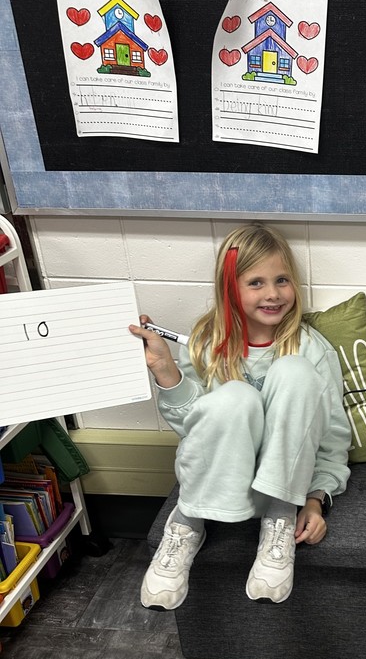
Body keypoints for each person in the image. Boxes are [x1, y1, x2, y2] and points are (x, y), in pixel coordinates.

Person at [130, 223, 350, 611]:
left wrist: (314, 499)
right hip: (218, 476)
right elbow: (193, 428)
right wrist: (166, 369)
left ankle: (279, 519)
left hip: (284, 483)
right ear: (230, 287)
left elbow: (330, 435)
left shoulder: (310, 347)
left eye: (282, 280)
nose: (273, 294)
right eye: (256, 283)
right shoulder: (204, 343)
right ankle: (187, 522)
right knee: (235, 396)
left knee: (295, 371)